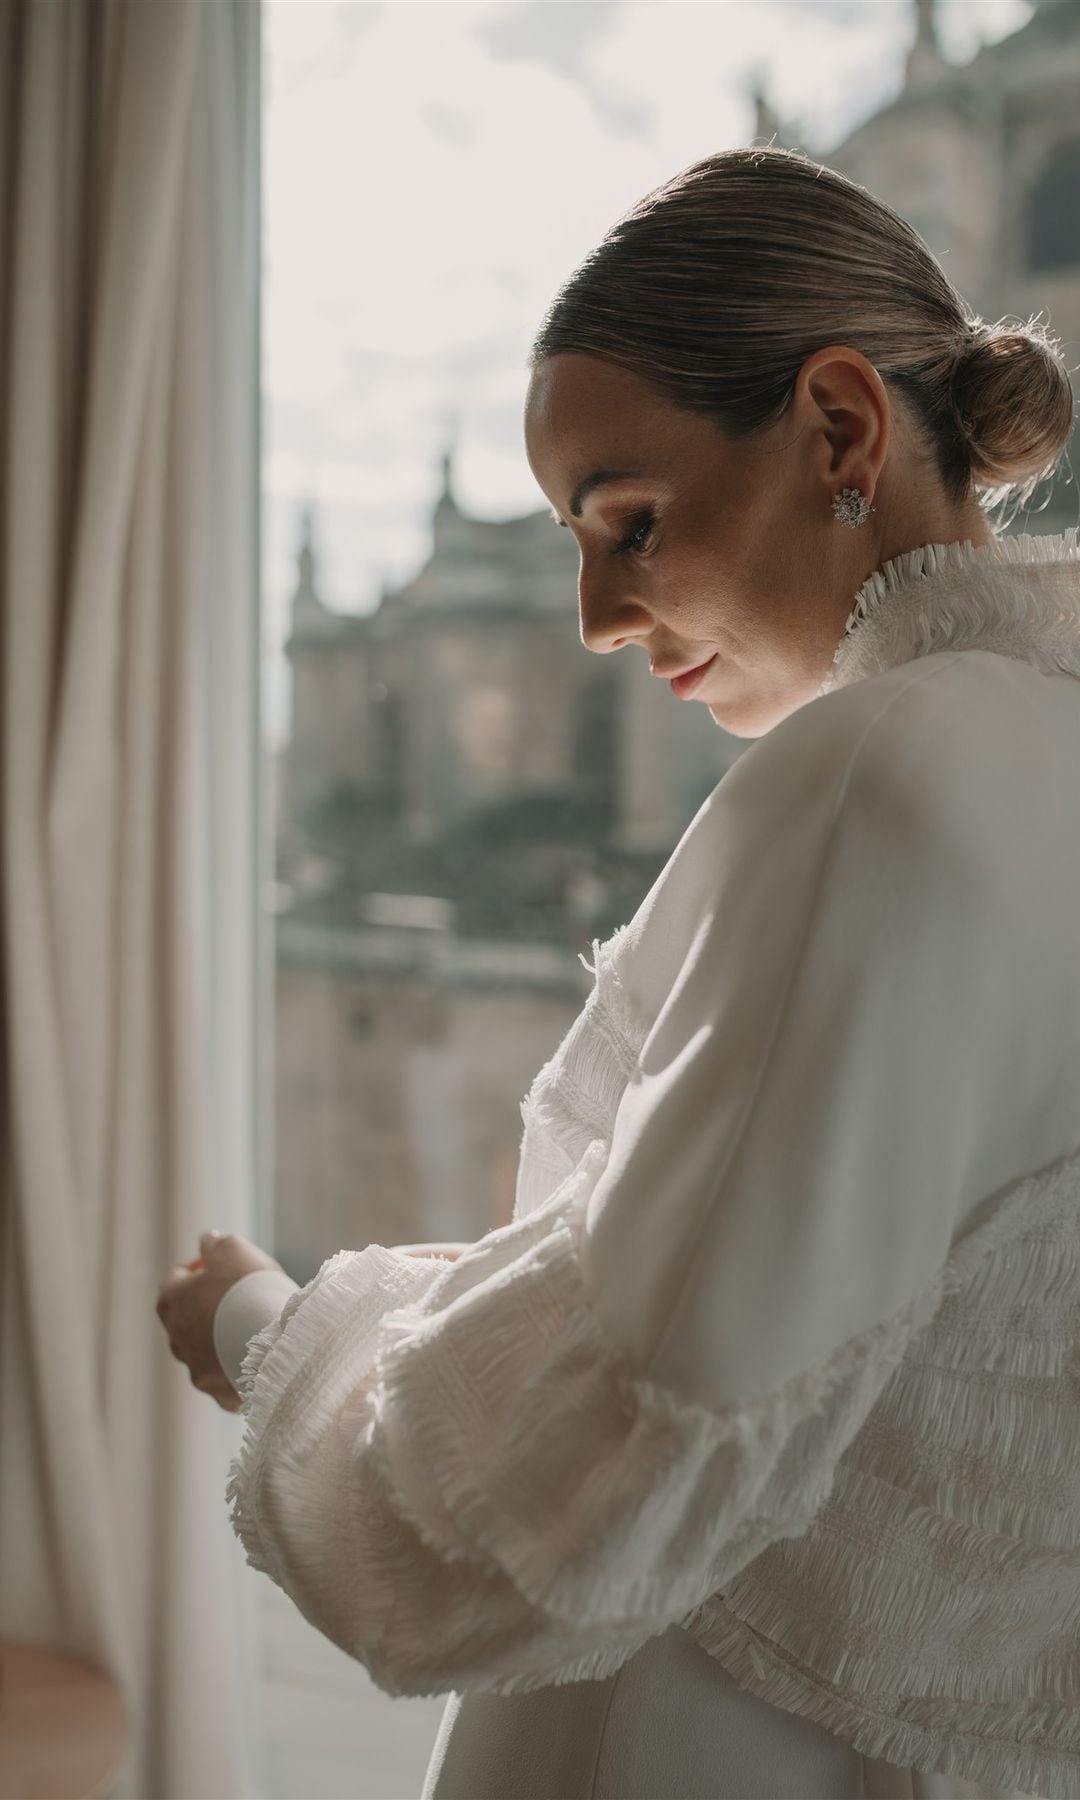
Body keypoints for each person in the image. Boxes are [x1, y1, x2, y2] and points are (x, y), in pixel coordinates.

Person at [155, 146, 1080, 1800]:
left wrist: (265, 1331)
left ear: (843, 432)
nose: (593, 616)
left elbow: (599, 1476)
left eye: (630, 525)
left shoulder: (875, 777)